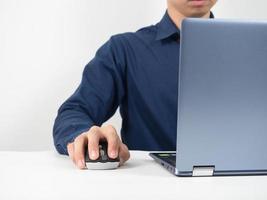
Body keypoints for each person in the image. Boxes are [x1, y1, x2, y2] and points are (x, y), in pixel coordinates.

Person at [53, 0, 218, 169]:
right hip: (151, 185)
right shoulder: (124, 50)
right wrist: (87, 137)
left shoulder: (244, 50)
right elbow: (74, 111)